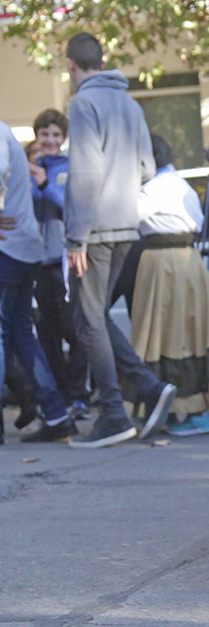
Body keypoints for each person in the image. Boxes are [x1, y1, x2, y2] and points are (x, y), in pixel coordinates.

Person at [61, 33, 177, 449]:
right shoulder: (129, 104)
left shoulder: (83, 103)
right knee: (94, 317)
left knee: (88, 319)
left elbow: (85, 172)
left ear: (71, 65)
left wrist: (75, 236)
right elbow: (147, 167)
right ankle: (147, 386)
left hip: (92, 231)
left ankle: (114, 413)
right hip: (126, 225)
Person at [129, 135, 209, 436]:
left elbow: (129, 215)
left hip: (167, 264)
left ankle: (192, 411)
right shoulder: (176, 183)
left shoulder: (155, 188)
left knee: (174, 335)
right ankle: (181, 409)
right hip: (182, 262)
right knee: (184, 333)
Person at [1, 120, 77, 443]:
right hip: (24, 248)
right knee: (20, 331)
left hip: (9, 247)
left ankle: (55, 411)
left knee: (8, 331)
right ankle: (56, 413)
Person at [28, 109, 90, 420]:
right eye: (44, 134)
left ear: (63, 138)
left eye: (55, 135)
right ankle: (63, 394)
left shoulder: (68, 168)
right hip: (36, 261)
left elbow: (71, 207)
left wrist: (43, 185)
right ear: (37, 136)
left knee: (75, 330)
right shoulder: (27, 168)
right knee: (47, 332)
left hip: (65, 261)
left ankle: (80, 395)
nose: (49, 140)